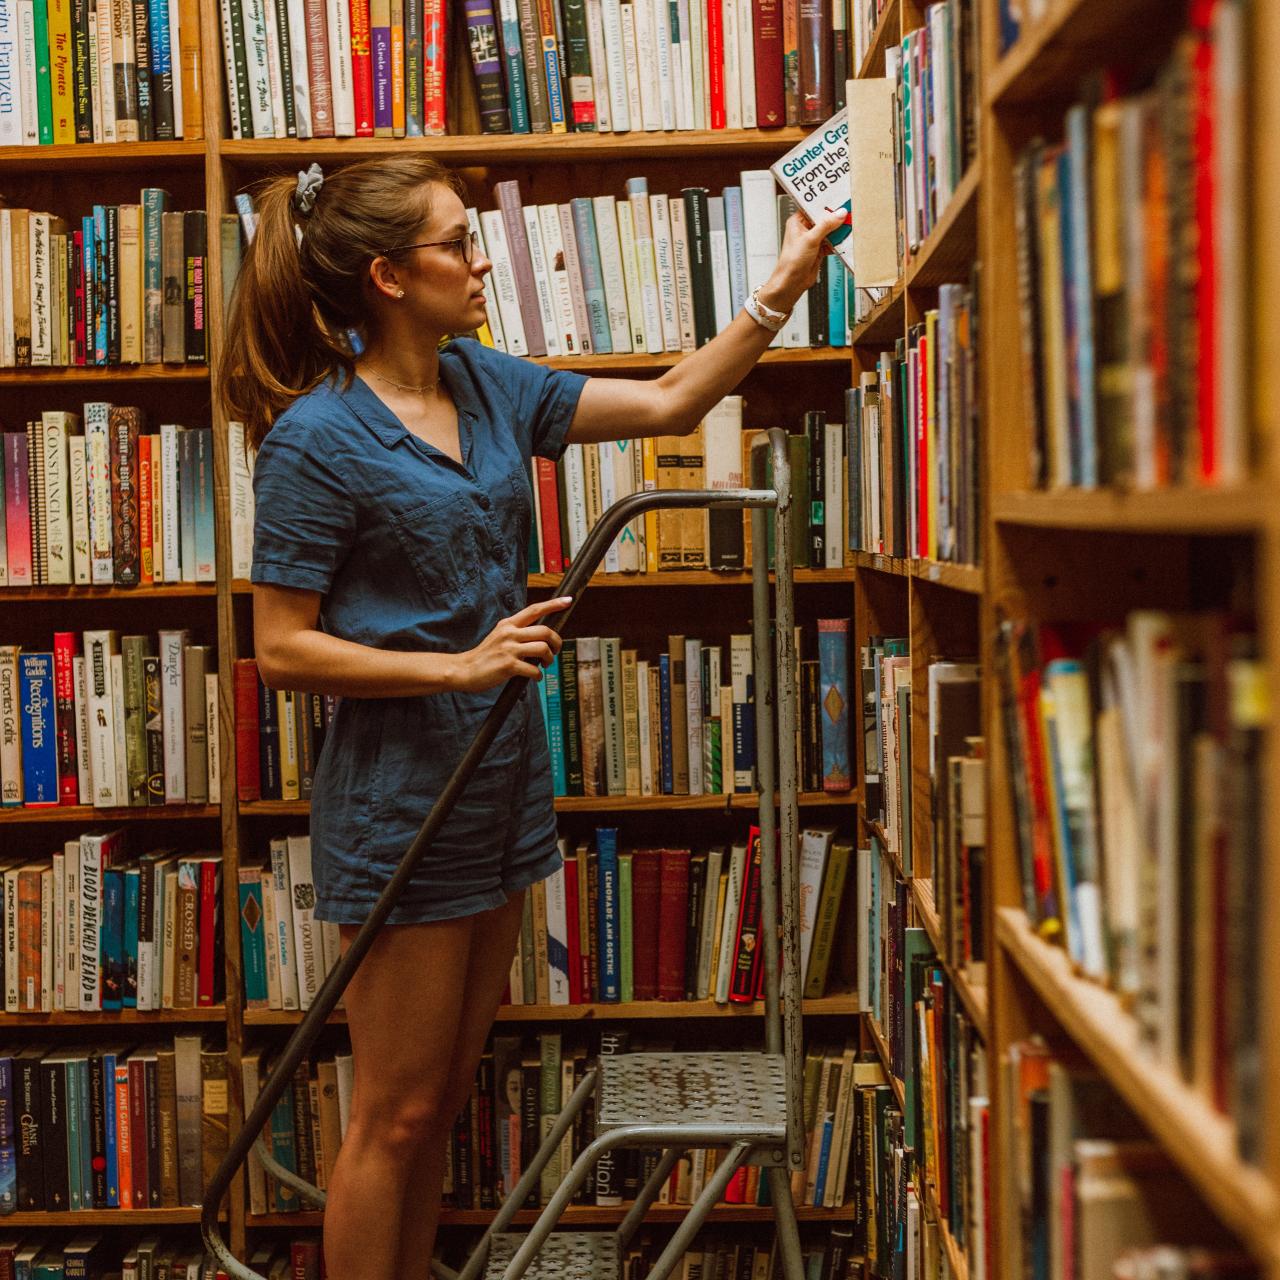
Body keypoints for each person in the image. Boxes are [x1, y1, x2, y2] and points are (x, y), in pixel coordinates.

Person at [219, 154, 842, 1280]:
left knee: (443, 1103)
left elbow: (669, 401)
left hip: (501, 789)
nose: (479, 261)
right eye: (457, 241)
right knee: (394, 1117)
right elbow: (280, 646)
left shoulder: (487, 383)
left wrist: (784, 279)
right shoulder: (318, 437)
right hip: (404, 804)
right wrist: (455, 669)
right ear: (388, 276)